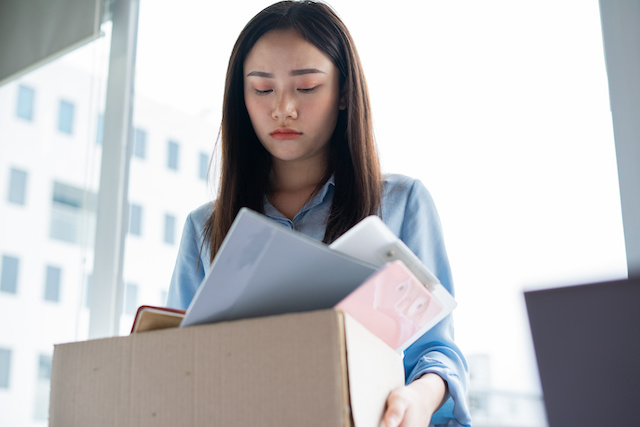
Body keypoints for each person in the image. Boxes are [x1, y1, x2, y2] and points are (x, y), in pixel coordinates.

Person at [166, 1, 471, 426]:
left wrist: (417, 400)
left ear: (344, 91)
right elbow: (178, 368)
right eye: (262, 89)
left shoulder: (402, 204)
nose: (283, 108)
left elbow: (436, 352)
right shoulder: (205, 228)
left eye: (306, 87)